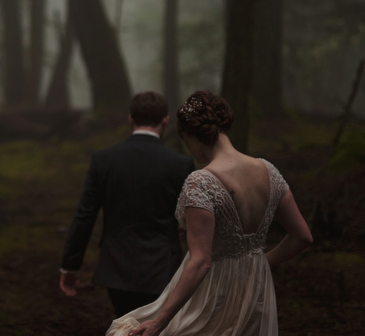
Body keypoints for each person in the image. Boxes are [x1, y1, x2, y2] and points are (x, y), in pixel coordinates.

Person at [107, 91, 313, 336]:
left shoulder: (201, 181)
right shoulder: (269, 171)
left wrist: (160, 321)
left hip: (215, 291)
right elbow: (302, 236)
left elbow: (201, 262)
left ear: (191, 135)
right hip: (257, 287)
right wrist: (260, 262)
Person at [59, 91, 195, 317]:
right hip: (163, 267)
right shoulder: (180, 164)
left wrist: (70, 266)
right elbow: (193, 216)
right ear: (165, 120)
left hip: (117, 269)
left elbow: (85, 216)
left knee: (124, 324)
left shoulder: (104, 159)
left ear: (130, 118)